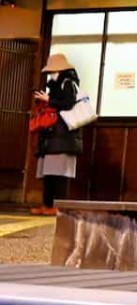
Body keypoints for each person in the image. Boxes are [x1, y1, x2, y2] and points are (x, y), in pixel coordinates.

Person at [31, 53, 83, 216]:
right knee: (49, 173)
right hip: (53, 136)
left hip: (64, 136)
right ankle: (47, 204)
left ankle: (58, 206)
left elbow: (68, 104)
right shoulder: (56, 85)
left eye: (53, 71)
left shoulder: (68, 83)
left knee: (59, 174)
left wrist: (49, 100)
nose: (51, 74)